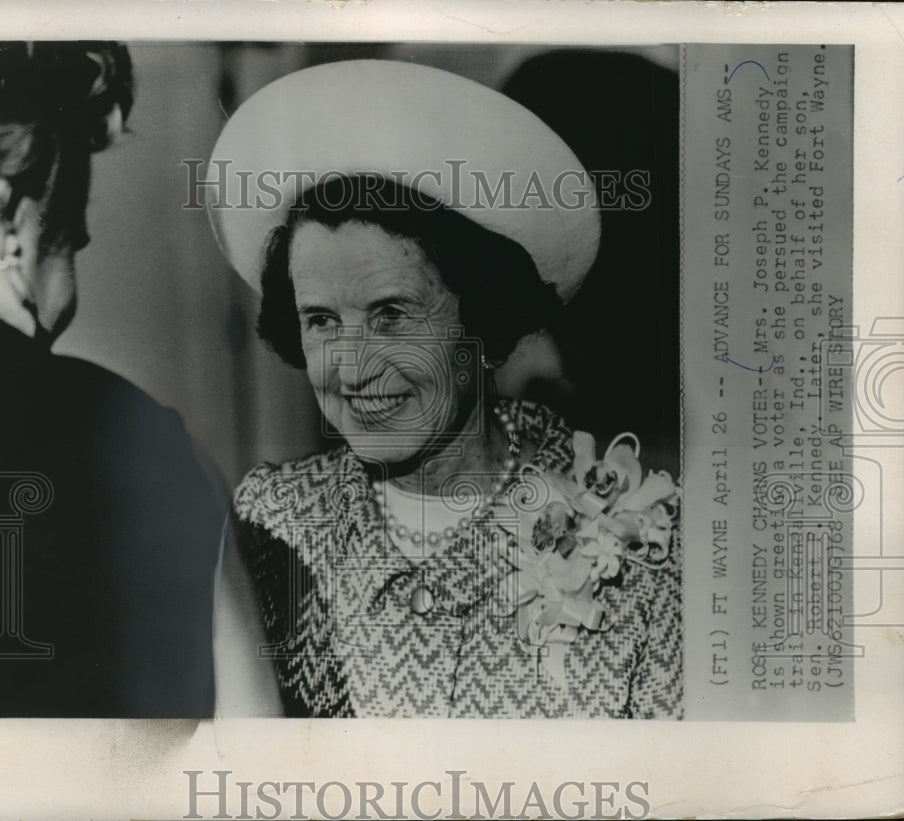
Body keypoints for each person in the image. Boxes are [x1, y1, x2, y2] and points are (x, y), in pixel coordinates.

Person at [210, 60, 682, 718]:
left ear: (483, 323)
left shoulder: (629, 533)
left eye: (392, 315)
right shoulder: (273, 525)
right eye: (321, 321)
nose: (352, 368)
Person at [0, 41, 232, 718]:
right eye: (73, 221)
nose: (85, 244)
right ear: (8, 216)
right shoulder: (121, 438)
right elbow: (247, 753)